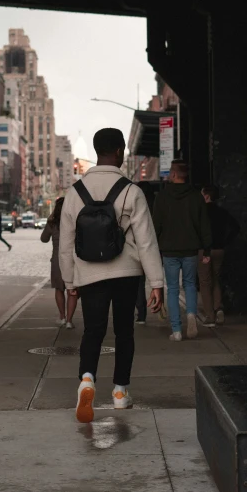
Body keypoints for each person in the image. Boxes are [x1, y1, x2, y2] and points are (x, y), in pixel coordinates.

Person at [59, 128, 164, 423]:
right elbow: (146, 241)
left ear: (96, 151)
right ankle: (120, 392)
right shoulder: (132, 191)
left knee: (93, 330)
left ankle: (87, 379)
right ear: (119, 151)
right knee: (124, 332)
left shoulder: (74, 193)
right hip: (126, 273)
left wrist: (70, 282)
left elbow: (66, 244)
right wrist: (157, 283)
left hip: (89, 275)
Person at [153, 160, 212, 341]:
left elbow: (156, 225)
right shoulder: (196, 196)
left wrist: (154, 248)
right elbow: (204, 225)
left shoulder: (162, 197)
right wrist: (207, 250)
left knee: (172, 288)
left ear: (173, 174)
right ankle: (191, 315)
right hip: (191, 249)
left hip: (169, 250)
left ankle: (177, 331)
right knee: (190, 285)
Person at [199, 185, 240, 326]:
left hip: (204, 251)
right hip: (219, 250)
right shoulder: (223, 212)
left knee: (205, 283)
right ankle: (219, 309)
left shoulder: (201, 212)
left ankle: (209, 316)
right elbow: (236, 227)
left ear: (206, 196)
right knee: (216, 280)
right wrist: (225, 242)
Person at [41, 197, 78, 330]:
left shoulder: (52, 222)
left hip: (57, 259)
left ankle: (62, 317)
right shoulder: (75, 221)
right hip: (72, 258)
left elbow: (44, 239)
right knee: (72, 289)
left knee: (59, 288)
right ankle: (69, 320)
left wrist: (49, 222)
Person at [135, 180, 156, 325]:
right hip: (156, 247)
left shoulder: (137, 205)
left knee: (139, 283)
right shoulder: (156, 204)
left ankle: (141, 314)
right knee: (163, 282)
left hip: (138, 247)